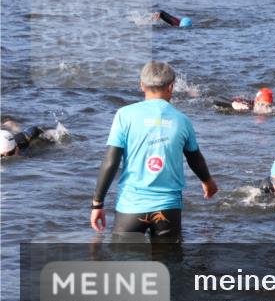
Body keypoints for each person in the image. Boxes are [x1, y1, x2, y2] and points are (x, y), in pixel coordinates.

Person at [90, 61, 218, 240]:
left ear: (142, 85)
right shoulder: (182, 120)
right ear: (171, 87)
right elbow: (194, 158)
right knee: (169, 265)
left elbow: (111, 162)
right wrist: (208, 181)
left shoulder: (124, 115)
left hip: (131, 207)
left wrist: (97, 204)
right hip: (168, 209)